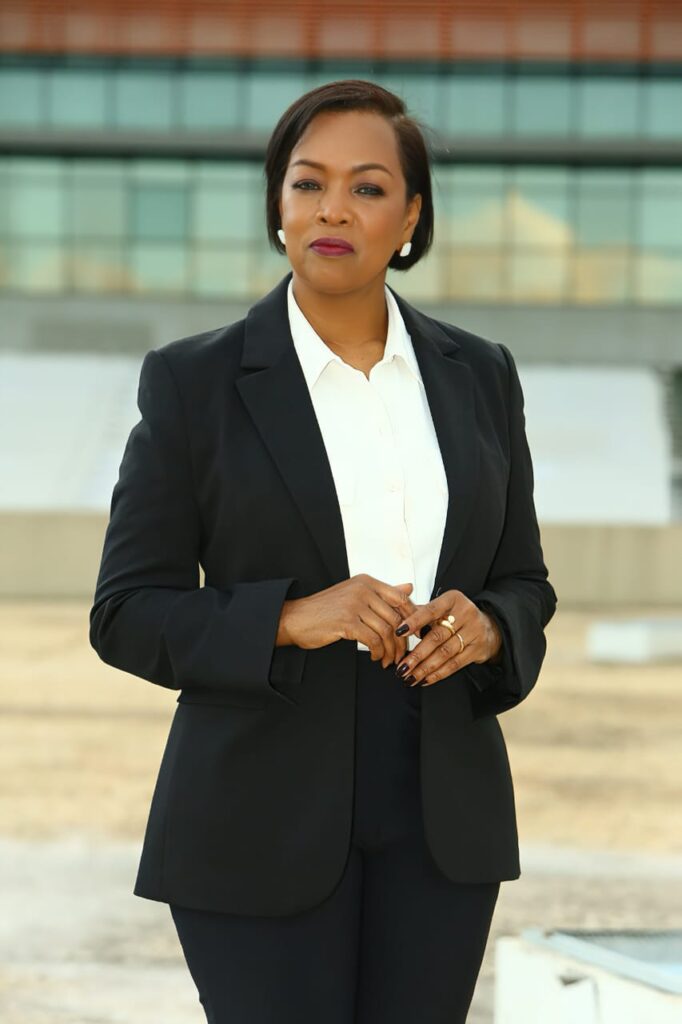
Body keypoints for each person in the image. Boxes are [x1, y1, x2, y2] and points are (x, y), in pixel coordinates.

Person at [89, 79, 557, 1024]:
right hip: (253, 818)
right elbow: (126, 612)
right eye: (308, 183)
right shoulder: (193, 382)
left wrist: (491, 627)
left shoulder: (481, 375)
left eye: (367, 187)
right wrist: (293, 617)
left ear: (411, 218)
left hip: (443, 824)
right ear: (278, 205)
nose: (332, 209)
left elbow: (525, 582)